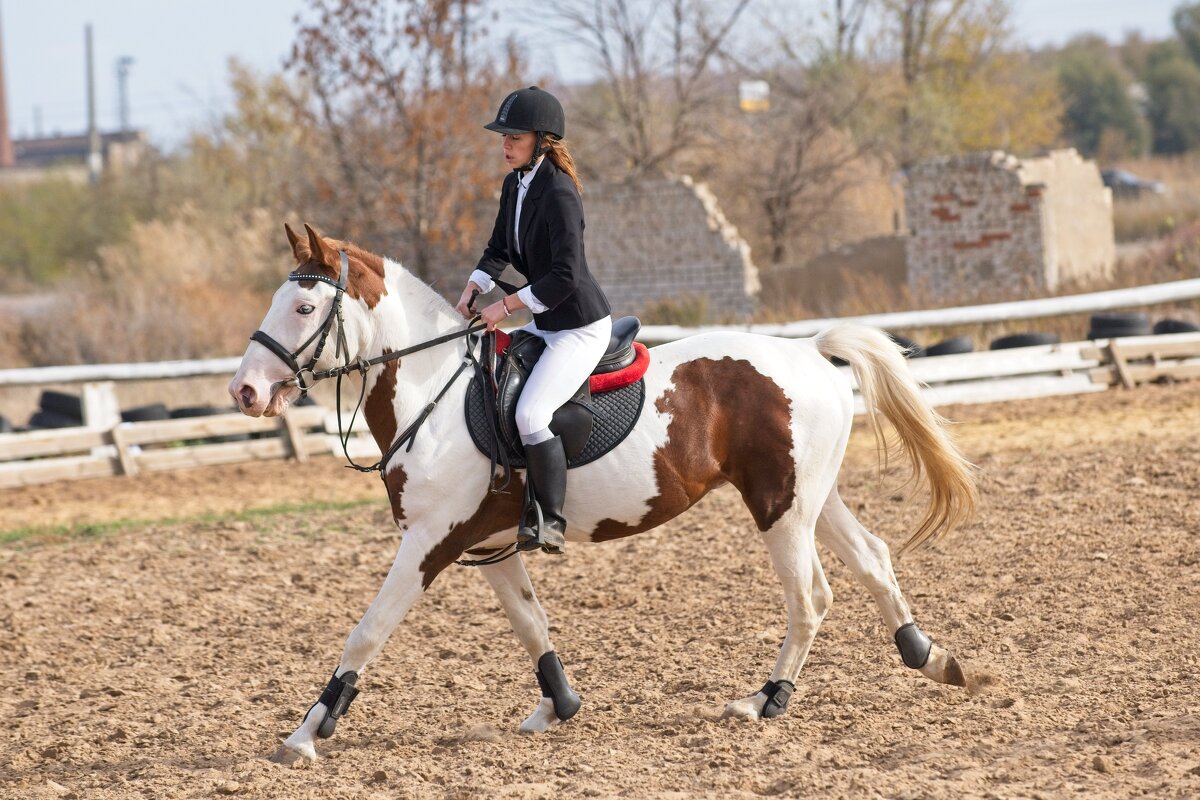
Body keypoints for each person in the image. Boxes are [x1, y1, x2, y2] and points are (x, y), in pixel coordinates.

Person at [455, 86, 612, 556]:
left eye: (515, 137)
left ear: (542, 140)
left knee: (530, 413)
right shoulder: (515, 184)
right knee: (486, 383)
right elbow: (500, 247)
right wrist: (474, 286)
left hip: (577, 326)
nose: (505, 145)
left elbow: (565, 275)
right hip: (545, 322)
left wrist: (504, 307)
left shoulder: (560, 193)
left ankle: (550, 518)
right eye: (503, 136)